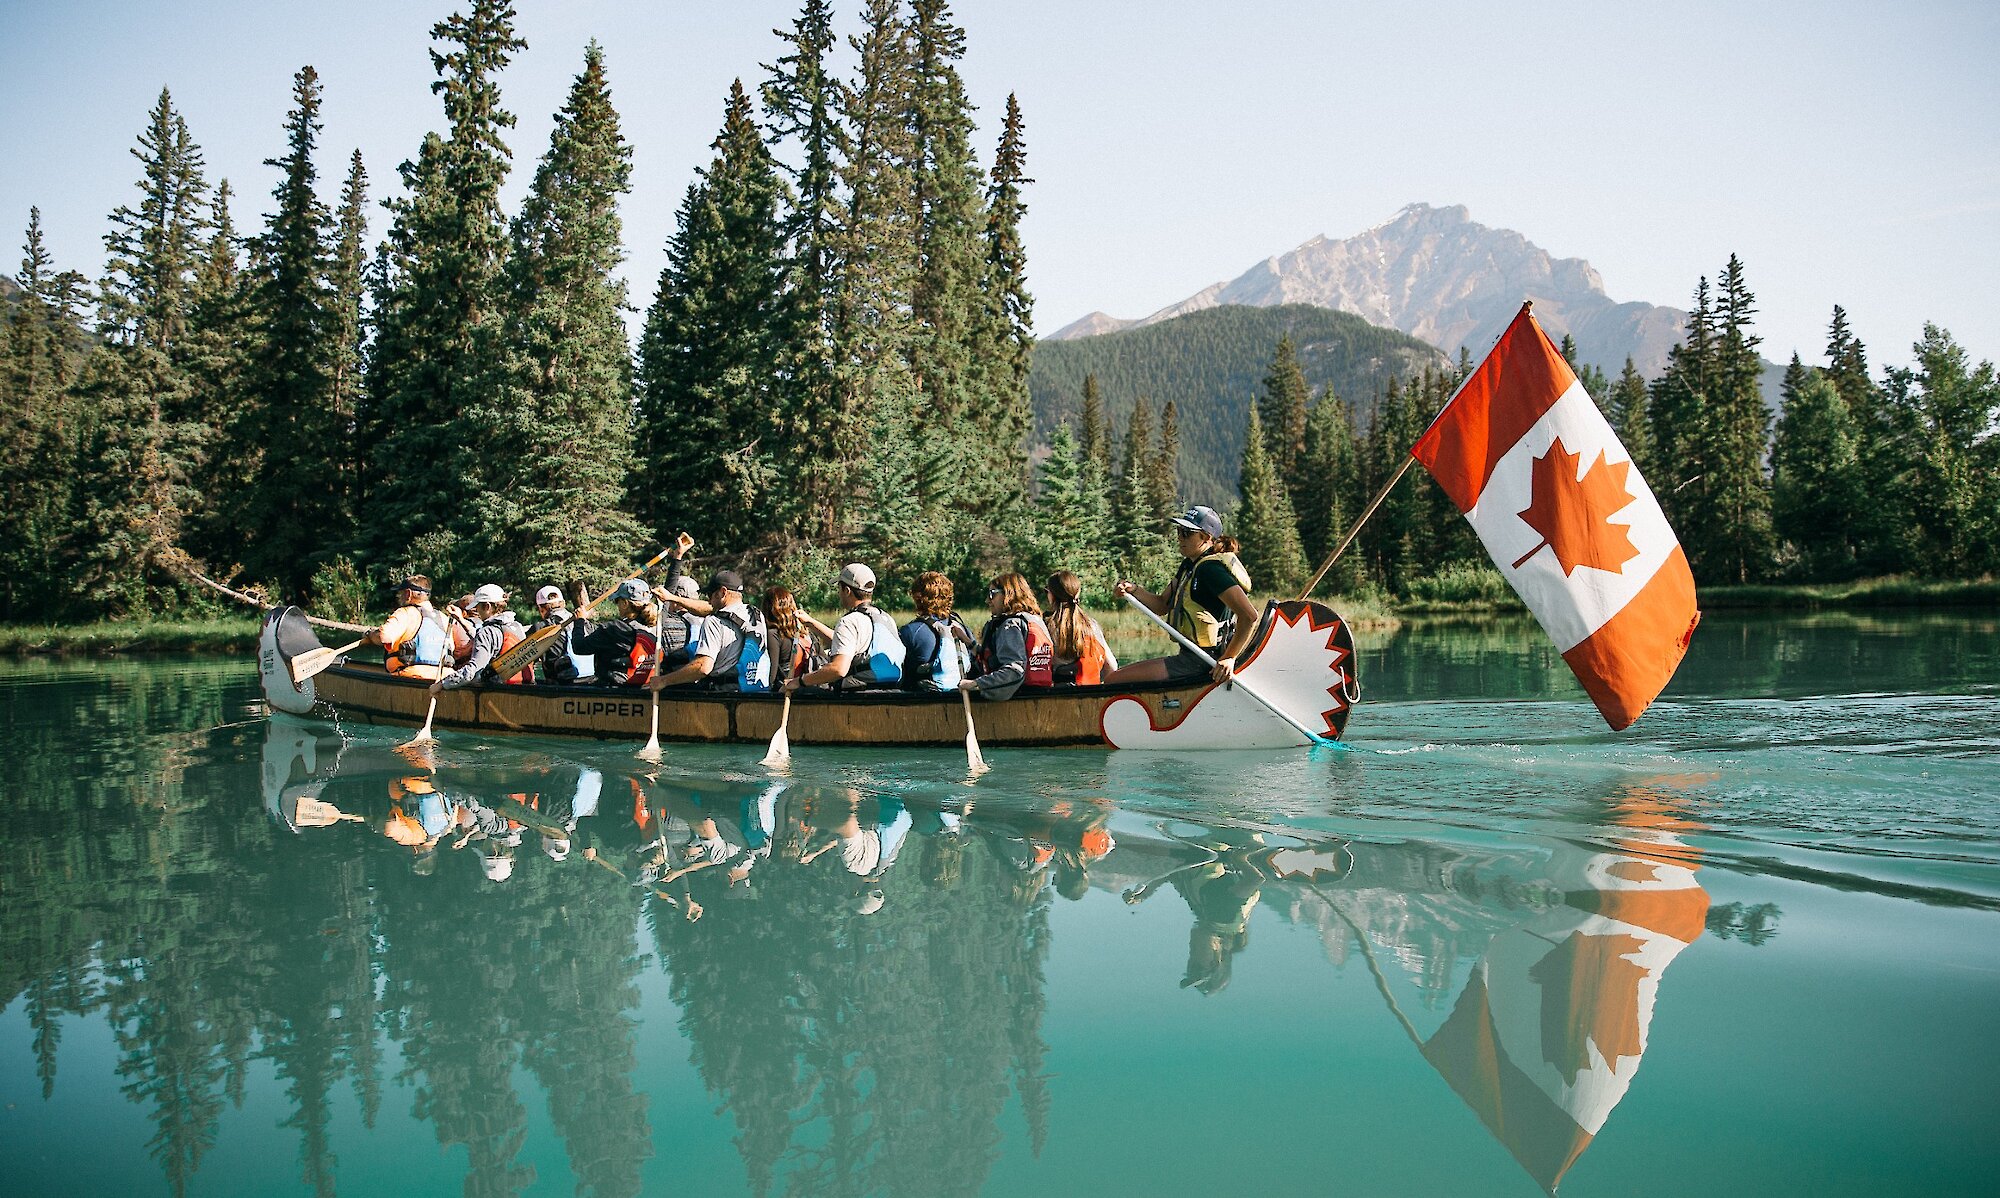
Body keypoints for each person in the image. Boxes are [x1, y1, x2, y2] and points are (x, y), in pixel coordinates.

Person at [1106, 505, 1259, 686]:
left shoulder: (1210, 570)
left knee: (1113, 680)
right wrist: (1134, 590)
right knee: (1115, 678)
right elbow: (1162, 605)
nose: (1179, 537)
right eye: (1179, 531)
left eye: (1187, 533)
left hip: (1203, 660)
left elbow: (1249, 616)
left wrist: (1229, 658)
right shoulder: (1189, 565)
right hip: (1190, 656)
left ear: (1207, 537)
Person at [647, 569, 772, 692]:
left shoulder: (714, 622)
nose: (709, 600)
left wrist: (663, 681)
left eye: (710, 595)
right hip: (757, 691)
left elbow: (702, 667)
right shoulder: (755, 614)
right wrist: (672, 598)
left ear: (723, 592)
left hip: (725, 696)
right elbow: (708, 608)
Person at [785, 564, 905, 691]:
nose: (839, 593)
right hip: (892, 690)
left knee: (806, 691)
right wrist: (811, 622)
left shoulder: (849, 621)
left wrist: (799, 681)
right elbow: (846, 644)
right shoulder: (886, 618)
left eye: (839, 588)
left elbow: (838, 669)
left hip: (859, 694)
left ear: (847, 591)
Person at [960, 572, 1054, 702]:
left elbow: (1014, 671)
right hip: (1041, 699)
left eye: (992, 594)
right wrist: (969, 642)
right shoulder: (1035, 620)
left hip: (1016, 702)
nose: (988, 601)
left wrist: (976, 684)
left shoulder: (1010, 625)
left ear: (1008, 594)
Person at [432, 584, 535, 692]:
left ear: (487, 606)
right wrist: (460, 619)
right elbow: (484, 639)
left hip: (496, 692)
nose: (476, 609)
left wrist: (443, 684)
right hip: (521, 690)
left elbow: (472, 671)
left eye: (477, 606)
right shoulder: (516, 626)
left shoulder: (487, 632)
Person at [571, 578, 662, 687]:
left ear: (624, 603)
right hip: (644, 686)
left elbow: (579, 647)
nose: (617, 605)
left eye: (617, 601)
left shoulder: (614, 629)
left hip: (614, 688)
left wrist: (579, 621)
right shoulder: (656, 625)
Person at [899, 571, 975, 692]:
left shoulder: (911, 631)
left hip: (924, 701)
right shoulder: (964, 630)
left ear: (918, 597)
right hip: (958, 697)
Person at [365, 575, 449, 680]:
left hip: (411, 676)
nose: (398, 597)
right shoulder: (444, 618)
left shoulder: (405, 613)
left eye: (400, 593)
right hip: (443, 677)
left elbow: (384, 637)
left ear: (408, 594)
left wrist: (371, 635)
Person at [1044, 570, 1118, 686]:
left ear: (1052, 595)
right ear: (1078, 593)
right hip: (1088, 692)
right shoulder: (1091, 625)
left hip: (1056, 696)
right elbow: (1112, 667)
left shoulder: (1045, 626)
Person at [763, 585, 831, 688]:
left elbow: (772, 675)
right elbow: (824, 659)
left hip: (789, 691)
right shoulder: (806, 634)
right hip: (812, 689)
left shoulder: (773, 634)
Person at [530, 584, 590, 685]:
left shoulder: (540, 628)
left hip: (561, 684)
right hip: (590, 680)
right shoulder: (584, 622)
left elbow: (528, 658)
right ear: (564, 603)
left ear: (541, 608)